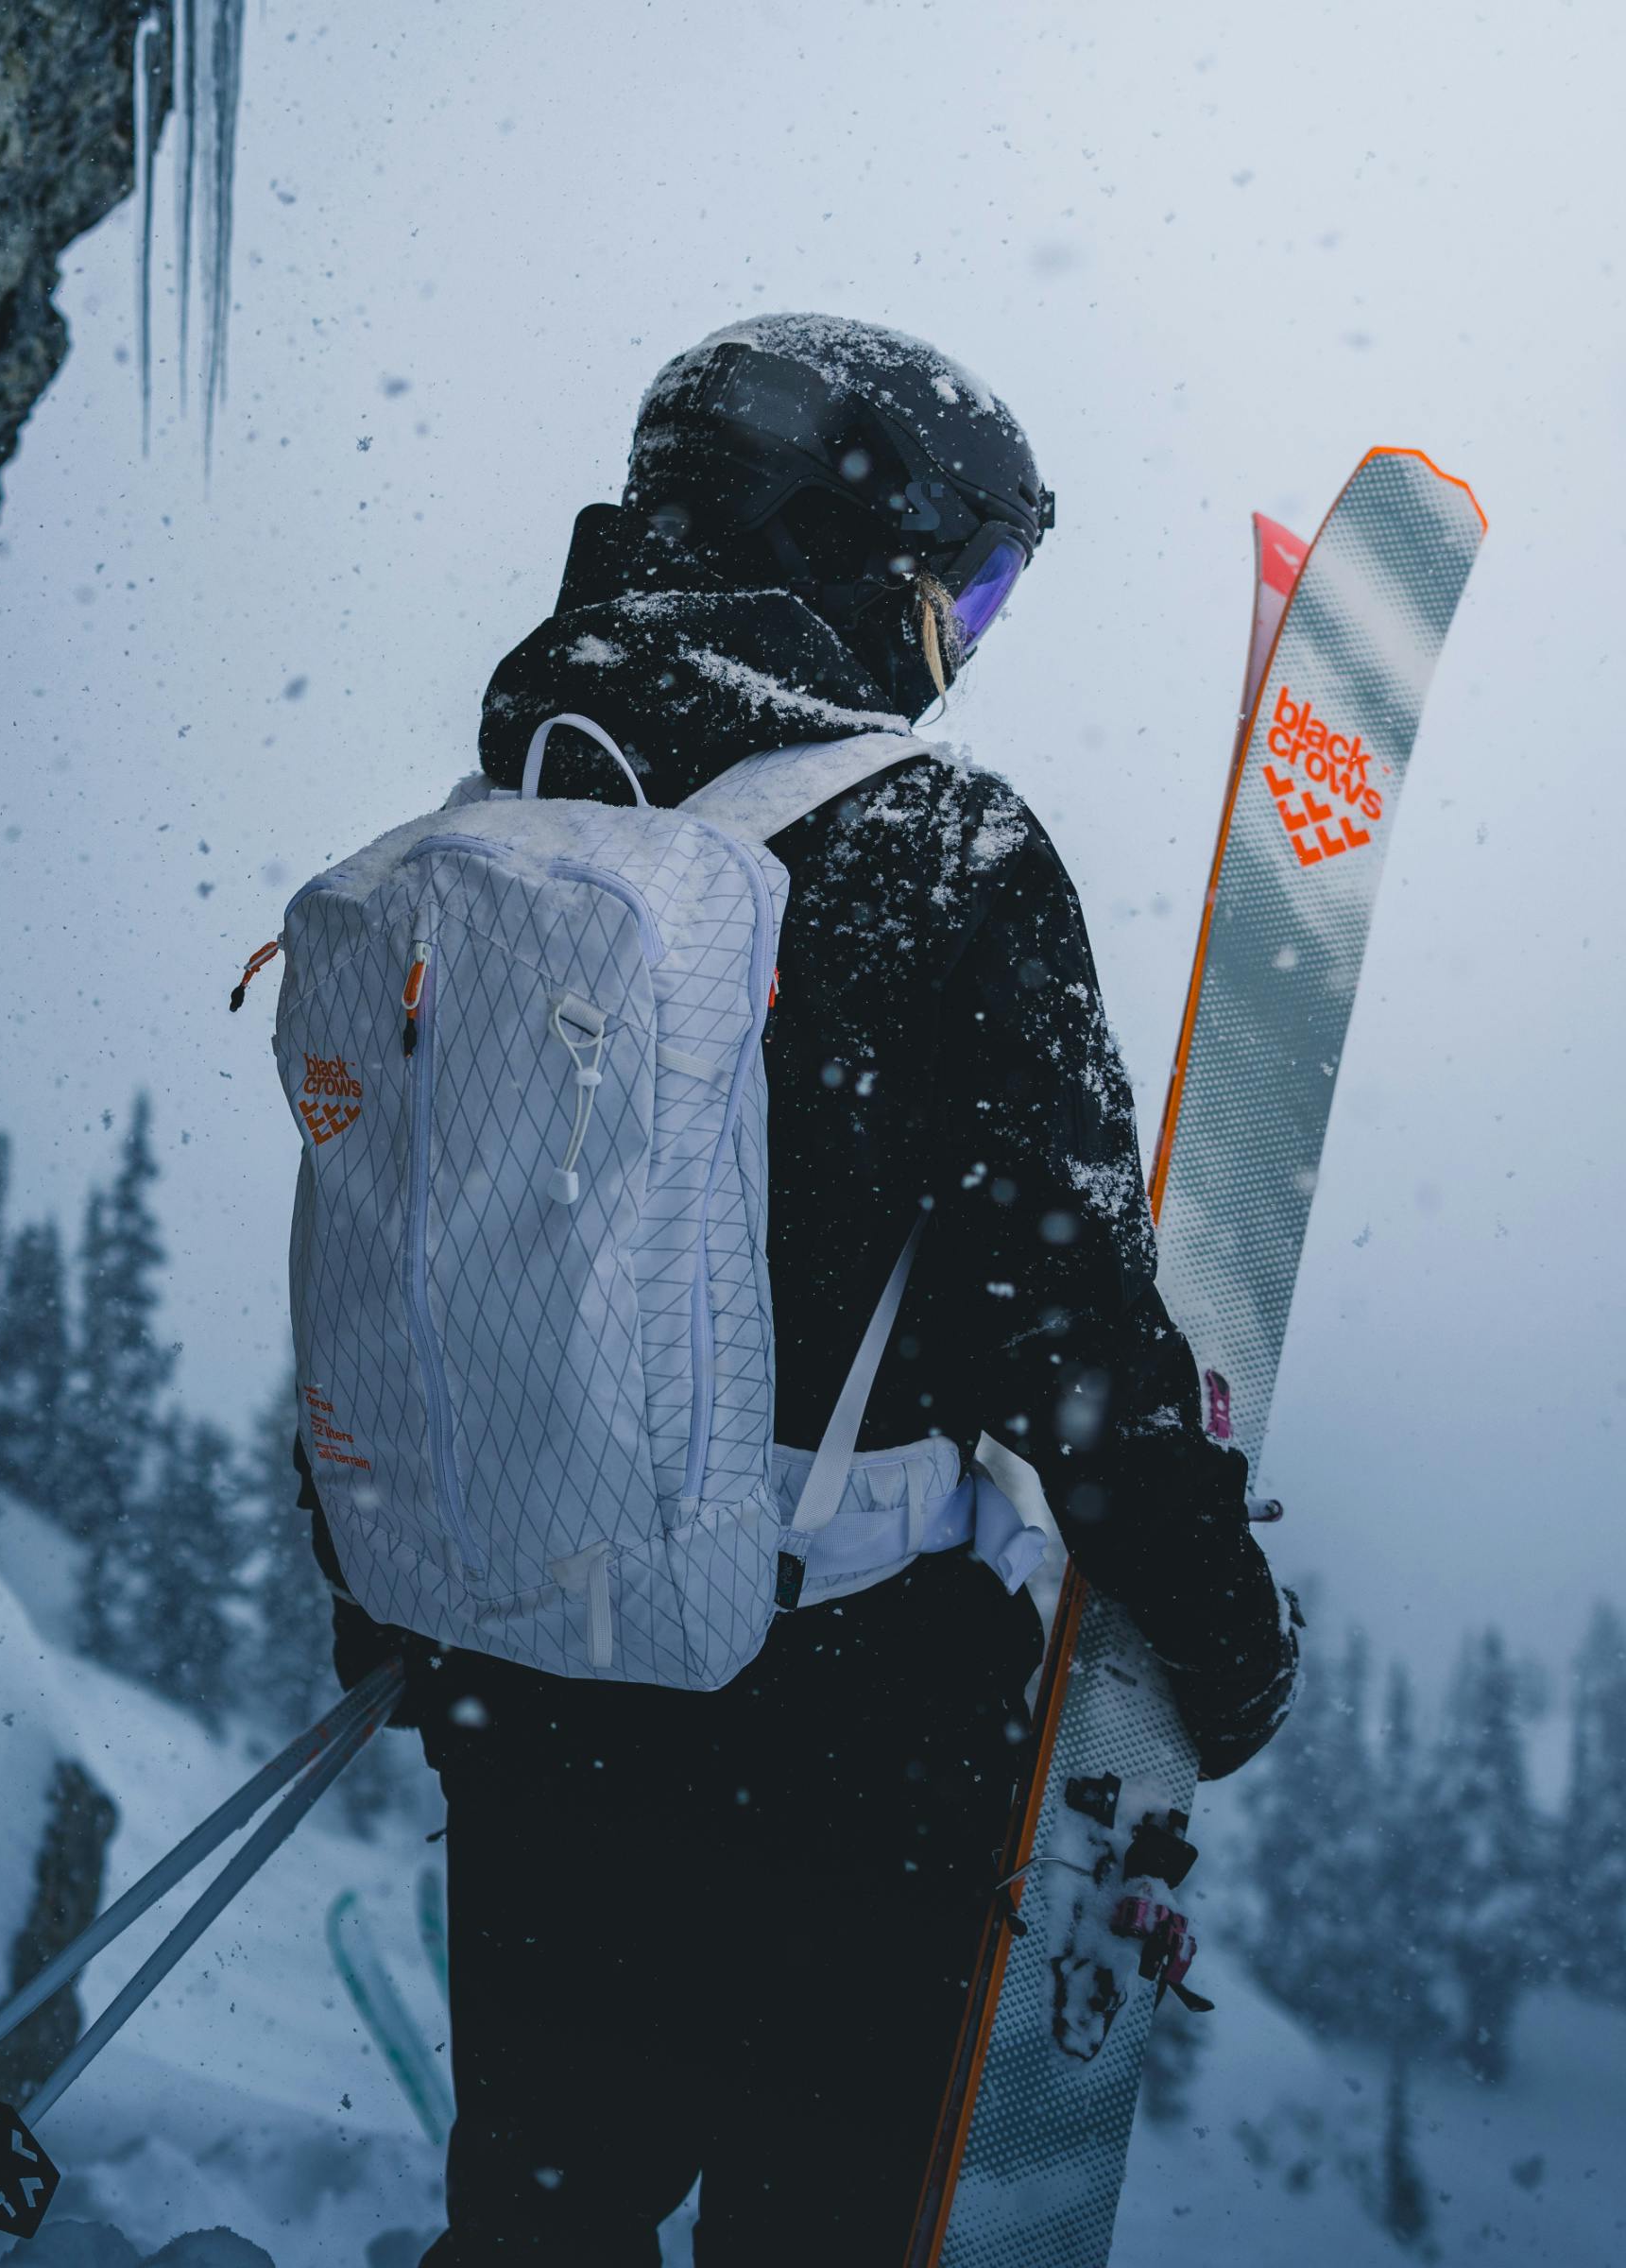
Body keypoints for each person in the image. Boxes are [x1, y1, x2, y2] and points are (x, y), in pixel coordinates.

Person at [294, 315, 1300, 2265]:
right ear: (863, 556)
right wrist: (1215, 1616)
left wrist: (399, 1604)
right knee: (820, 2230)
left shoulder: (495, 832)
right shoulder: (935, 846)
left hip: (535, 1673)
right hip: (841, 1716)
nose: (971, 637)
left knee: (540, 2222)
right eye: (974, 583)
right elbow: (1064, 1324)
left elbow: (408, 1250)